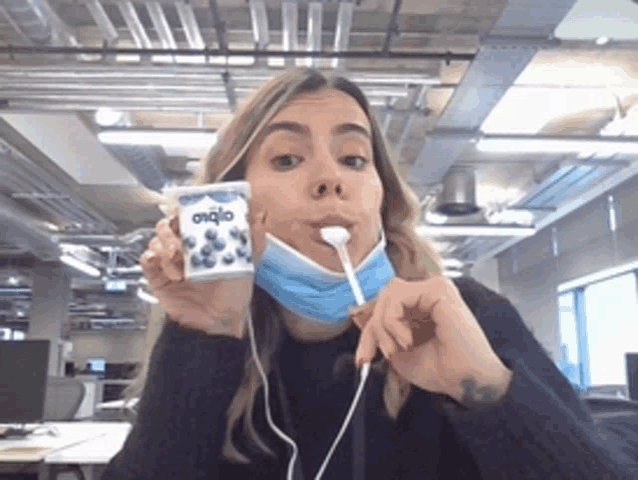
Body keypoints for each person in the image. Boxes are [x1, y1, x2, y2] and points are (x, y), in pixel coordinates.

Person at [101, 68, 638, 480]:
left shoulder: (469, 315)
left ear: (381, 197)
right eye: (287, 159)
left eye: (354, 159)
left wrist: (489, 391)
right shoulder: (210, 340)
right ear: (232, 203)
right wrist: (204, 336)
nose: (330, 179)